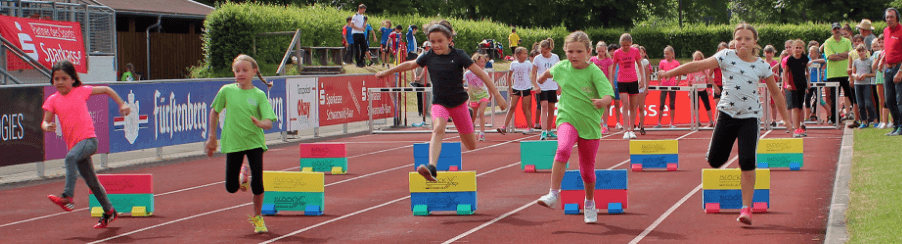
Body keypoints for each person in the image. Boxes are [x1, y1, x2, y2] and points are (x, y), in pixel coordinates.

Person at [658, 23, 790, 225]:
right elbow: (697, 66)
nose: (742, 42)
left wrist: (786, 119)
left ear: (755, 42)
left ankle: (746, 208)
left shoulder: (762, 65)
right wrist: (671, 73)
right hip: (727, 115)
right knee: (715, 161)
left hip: (750, 117)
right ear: (734, 41)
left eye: (747, 39)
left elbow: (776, 93)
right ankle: (715, 151)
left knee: (747, 161)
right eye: (739, 38)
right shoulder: (725, 56)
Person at [375, 21, 508, 181]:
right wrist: (387, 72)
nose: (436, 45)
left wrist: (497, 95)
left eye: (440, 41)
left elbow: (482, 74)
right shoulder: (429, 55)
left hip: (458, 104)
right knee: (438, 128)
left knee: (471, 145)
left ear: (449, 40)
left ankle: (468, 114)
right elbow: (410, 64)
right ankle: (432, 167)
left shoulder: (459, 55)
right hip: (440, 103)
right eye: (432, 41)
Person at [534, 30, 614, 224]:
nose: (574, 55)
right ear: (565, 51)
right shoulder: (562, 66)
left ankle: (589, 203)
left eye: (579, 51)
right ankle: (553, 194)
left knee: (587, 171)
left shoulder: (594, 71)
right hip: (567, 118)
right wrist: (541, 78)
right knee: (563, 149)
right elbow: (549, 72)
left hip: (589, 124)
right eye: (570, 51)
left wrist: (602, 101)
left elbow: (609, 94)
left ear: (588, 52)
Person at [43, 60, 131, 229]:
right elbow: (44, 121)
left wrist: (122, 103)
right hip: (76, 146)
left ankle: (67, 197)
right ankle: (109, 211)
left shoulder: (81, 91)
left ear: (73, 79)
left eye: (64, 78)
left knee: (70, 158)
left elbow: (106, 90)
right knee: (92, 182)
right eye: (56, 79)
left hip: (89, 141)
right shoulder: (52, 100)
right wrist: (47, 126)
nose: (60, 82)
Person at [205, 54, 278, 233]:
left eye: (245, 70)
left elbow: (269, 122)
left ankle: (258, 217)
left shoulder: (259, 95)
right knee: (231, 188)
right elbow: (214, 112)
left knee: (257, 184)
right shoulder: (226, 91)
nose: (240, 74)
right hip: (233, 142)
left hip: (254, 142)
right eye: (237, 70)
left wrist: (260, 123)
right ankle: (241, 175)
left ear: (254, 72)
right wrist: (212, 136)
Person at [612, 33, 644, 139]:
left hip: (633, 80)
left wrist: (642, 79)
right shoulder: (617, 53)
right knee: (625, 104)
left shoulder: (635, 51)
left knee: (633, 106)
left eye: (627, 45)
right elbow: (613, 67)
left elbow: (640, 65)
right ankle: (625, 130)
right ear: (620, 44)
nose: (625, 47)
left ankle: (632, 130)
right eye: (623, 45)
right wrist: (611, 81)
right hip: (622, 80)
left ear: (631, 43)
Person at [498, 47, 537, 135]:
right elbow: (509, 76)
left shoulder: (528, 64)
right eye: (524, 54)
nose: (526, 55)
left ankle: (530, 127)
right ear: (518, 55)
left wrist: (535, 84)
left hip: (526, 88)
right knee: (512, 107)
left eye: (526, 53)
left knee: (525, 108)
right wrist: (510, 88)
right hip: (516, 88)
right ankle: (504, 127)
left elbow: (533, 73)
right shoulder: (513, 64)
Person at [824, 22, 855, 127]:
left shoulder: (846, 41)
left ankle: (858, 117)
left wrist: (837, 55)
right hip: (833, 74)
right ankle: (834, 119)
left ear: (840, 29)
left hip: (846, 73)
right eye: (834, 29)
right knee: (834, 98)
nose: (836, 30)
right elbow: (830, 57)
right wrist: (843, 55)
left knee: (851, 95)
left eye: (838, 28)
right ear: (832, 30)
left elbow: (850, 54)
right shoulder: (828, 42)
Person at [533, 38, 561, 140]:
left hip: (552, 86)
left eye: (545, 52)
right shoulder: (537, 58)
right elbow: (533, 73)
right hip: (542, 87)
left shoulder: (555, 58)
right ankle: (543, 131)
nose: (543, 53)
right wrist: (536, 85)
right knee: (543, 107)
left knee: (551, 108)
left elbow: (558, 73)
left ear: (549, 49)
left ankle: (549, 131)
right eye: (541, 51)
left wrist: (559, 86)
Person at [880, 8, 902, 136]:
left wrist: (900, 71)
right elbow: (888, 49)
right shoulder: (886, 31)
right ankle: (896, 125)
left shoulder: (901, 30)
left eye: (891, 17)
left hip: (899, 67)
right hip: (888, 68)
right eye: (887, 17)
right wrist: (882, 62)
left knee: (900, 99)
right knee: (889, 99)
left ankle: (901, 126)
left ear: (897, 18)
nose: (889, 19)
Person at [784, 39, 811, 137]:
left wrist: (808, 82)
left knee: (800, 107)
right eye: (796, 47)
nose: (798, 49)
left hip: (802, 84)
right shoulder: (790, 59)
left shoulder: (804, 58)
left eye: (800, 48)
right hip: (793, 85)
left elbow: (807, 71)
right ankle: (795, 129)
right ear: (793, 48)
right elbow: (785, 72)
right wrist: (788, 84)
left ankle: (800, 127)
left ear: (803, 49)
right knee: (795, 107)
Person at [589, 41, 615, 134]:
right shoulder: (592, 60)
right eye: (599, 51)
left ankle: (605, 125)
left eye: (602, 51)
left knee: (604, 105)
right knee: (594, 104)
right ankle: (596, 124)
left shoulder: (609, 61)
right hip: (593, 85)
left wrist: (610, 84)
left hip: (604, 85)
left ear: (605, 51)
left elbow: (610, 74)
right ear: (596, 50)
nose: (601, 53)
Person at [466, 53, 492, 141]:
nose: (483, 64)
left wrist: (491, 94)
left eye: (484, 62)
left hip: (484, 95)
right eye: (481, 62)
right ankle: (471, 131)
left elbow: (489, 84)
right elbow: (461, 82)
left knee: (481, 113)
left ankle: (482, 133)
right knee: (473, 115)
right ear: (475, 62)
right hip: (473, 97)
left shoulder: (485, 73)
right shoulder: (468, 73)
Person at [688, 51, 715, 127]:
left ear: (701, 59)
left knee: (707, 105)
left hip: (703, 89)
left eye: (698, 59)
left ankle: (711, 121)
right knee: (696, 106)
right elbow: (689, 81)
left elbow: (708, 79)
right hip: (694, 89)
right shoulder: (691, 69)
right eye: (695, 59)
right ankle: (697, 121)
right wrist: (689, 92)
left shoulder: (705, 69)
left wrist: (709, 90)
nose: (696, 61)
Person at [852, 44, 877, 128]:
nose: (861, 53)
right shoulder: (855, 61)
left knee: (868, 103)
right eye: (859, 51)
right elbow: (853, 73)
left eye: (862, 51)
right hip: (857, 84)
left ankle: (875, 120)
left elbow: (874, 74)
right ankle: (863, 121)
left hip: (866, 84)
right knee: (860, 104)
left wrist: (866, 75)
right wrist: (855, 76)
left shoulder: (870, 61)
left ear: (866, 51)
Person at [656, 46, 681, 129]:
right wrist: (659, 83)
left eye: (667, 53)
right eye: (665, 54)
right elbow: (659, 73)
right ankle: (659, 122)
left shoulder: (676, 63)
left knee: (672, 104)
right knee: (661, 104)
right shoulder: (662, 62)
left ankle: (671, 123)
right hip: (664, 86)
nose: (666, 55)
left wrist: (676, 83)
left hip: (672, 86)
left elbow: (679, 74)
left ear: (672, 54)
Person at [871, 37, 889, 129]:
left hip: (887, 77)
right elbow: (873, 67)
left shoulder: (889, 52)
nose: (881, 44)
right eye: (880, 42)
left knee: (889, 100)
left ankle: (891, 120)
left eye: (883, 42)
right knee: (881, 101)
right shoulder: (876, 53)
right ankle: (882, 120)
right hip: (879, 79)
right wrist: (878, 59)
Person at [710, 42, 729, 124]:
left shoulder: (729, 60)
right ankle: (716, 122)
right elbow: (709, 76)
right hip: (718, 85)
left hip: (727, 86)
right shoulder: (715, 61)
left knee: (726, 106)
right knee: (718, 106)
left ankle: (724, 123)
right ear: (718, 50)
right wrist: (715, 86)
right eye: (722, 49)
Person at [636, 45, 651, 134]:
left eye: (641, 52)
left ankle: (642, 126)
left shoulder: (645, 62)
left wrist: (646, 88)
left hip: (641, 87)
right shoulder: (631, 61)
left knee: (641, 107)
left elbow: (647, 75)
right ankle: (632, 125)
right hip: (632, 86)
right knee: (633, 107)